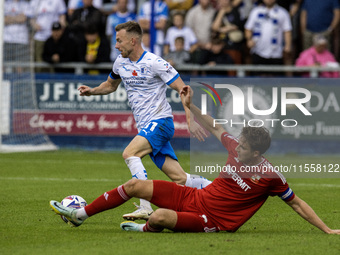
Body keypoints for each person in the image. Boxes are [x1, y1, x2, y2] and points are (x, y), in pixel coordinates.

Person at [50, 86, 340, 235]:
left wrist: (326, 229)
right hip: (195, 198)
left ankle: (143, 229)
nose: (236, 147)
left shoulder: (269, 176)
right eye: (237, 143)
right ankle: (81, 216)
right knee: (137, 186)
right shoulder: (235, 147)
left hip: (212, 220)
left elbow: (297, 203)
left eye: (242, 147)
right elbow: (216, 126)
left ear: (256, 153)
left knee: (159, 216)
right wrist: (190, 106)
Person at [76, 21, 211, 220]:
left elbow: (184, 90)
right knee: (180, 178)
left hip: (161, 122)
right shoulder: (120, 63)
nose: (116, 46)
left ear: (133, 40)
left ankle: (144, 206)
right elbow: (110, 85)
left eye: (119, 41)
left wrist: (190, 120)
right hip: (147, 126)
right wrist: (92, 92)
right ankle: (219, 189)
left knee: (130, 153)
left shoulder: (155, 62)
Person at [244, 0, 292, 76]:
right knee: (257, 79)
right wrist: (249, 40)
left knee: (275, 81)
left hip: (276, 53)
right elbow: (248, 28)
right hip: (258, 51)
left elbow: (287, 30)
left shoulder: (282, 12)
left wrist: (288, 45)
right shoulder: (256, 11)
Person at [29, 0, 67, 71]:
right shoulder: (34, 1)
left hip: (54, 38)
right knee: (39, 63)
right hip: (39, 37)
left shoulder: (58, 1)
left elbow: (62, 16)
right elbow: (31, 18)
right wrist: (34, 25)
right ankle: (39, 80)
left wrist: (61, 30)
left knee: (53, 63)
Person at [4, 0, 32, 73]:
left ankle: (19, 82)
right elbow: (3, 20)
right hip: (6, 38)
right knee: (4, 64)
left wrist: (10, 18)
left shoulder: (25, 4)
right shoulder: (5, 4)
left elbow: (23, 19)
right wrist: (17, 17)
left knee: (19, 66)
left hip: (21, 39)